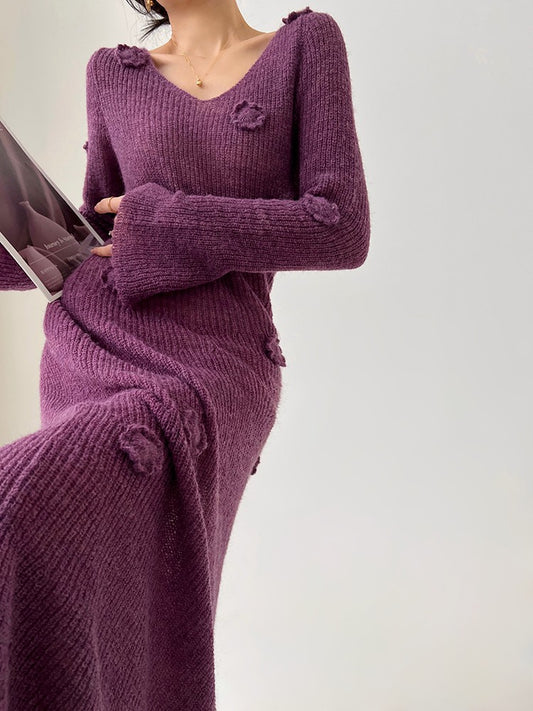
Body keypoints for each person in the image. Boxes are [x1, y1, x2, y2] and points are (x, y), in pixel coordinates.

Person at [0, 1, 371, 708]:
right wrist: (19, 232)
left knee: (13, 506)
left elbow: (339, 228)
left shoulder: (304, 46)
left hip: (216, 361)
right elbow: (97, 239)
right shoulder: (111, 73)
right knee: (54, 557)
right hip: (93, 343)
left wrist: (168, 220)